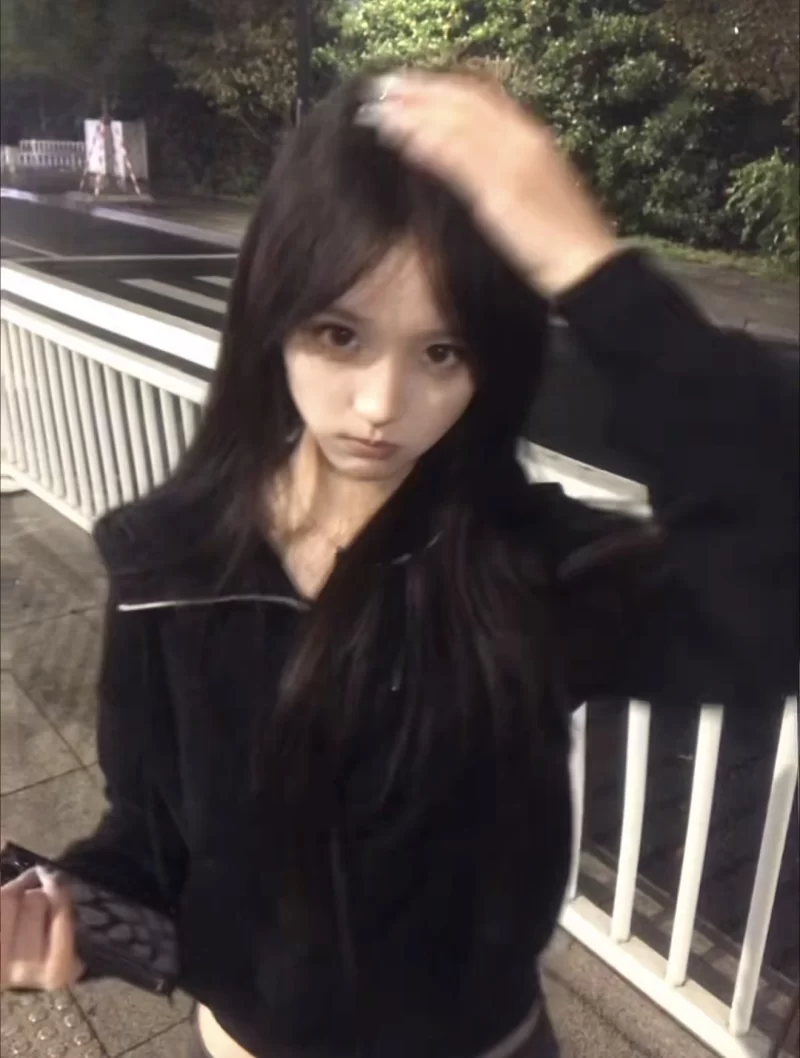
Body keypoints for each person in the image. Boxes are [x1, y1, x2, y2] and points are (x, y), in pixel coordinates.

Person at [1, 70, 797, 1058]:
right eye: (339, 334)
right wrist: (62, 914)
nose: (381, 405)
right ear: (273, 317)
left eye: (441, 353)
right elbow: (152, 840)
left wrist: (591, 269)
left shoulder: (524, 573)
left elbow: (763, 603)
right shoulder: (167, 565)